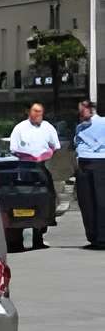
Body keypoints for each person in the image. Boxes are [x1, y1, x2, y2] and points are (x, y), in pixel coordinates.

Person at [73, 99, 105, 248]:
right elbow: (77, 144)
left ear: (91, 109)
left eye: (82, 111)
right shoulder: (79, 127)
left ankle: (102, 237)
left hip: (100, 163)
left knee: (101, 201)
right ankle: (92, 236)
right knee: (86, 201)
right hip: (83, 164)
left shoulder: (103, 123)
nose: (80, 114)